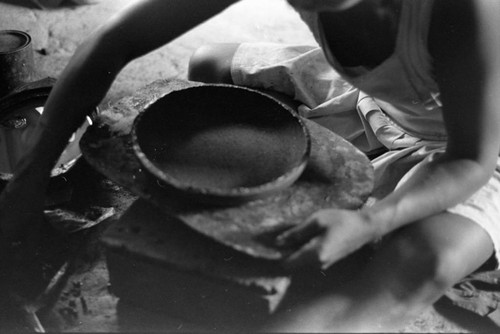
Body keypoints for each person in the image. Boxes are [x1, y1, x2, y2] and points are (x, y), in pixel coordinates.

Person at [1, 0, 500, 331]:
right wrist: (30, 175)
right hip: (380, 98)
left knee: (417, 262)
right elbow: (114, 41)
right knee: (207, 66)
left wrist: (371, 220)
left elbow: (471, 158)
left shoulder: (465, 11)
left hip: (476, 140)